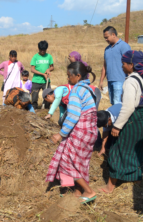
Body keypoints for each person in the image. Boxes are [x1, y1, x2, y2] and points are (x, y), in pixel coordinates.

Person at [99, 50, 143, 194]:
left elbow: (129, 106)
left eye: (123, 64)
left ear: (132, 65)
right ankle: (137, 181)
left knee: (118, 150)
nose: (122, 66)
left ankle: (110, 186)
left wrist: (117, 126)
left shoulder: (131, 80)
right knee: (139, 150)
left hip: (133, 120)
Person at [46, 62, 97, 204]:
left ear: (78, 76)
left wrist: (60, 134)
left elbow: (73, 115)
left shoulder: (76, 91)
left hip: (81, 131)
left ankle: (89, 191)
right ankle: (77, 191)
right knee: (80, 162)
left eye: (69, 76)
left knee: (67, 162)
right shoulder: (88, 89)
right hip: (91, 131)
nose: (68, 79)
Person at [99, 26, 131, 105]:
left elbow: (129, 63)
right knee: (113, 103)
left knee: (118, 103)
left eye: (107, 37)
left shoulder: (124, 46)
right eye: (105, 38)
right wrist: (101, 80)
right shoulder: (107, 49)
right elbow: (105, 66)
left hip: (120, 80)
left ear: (113, 34)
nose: (106, 40)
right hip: (110, 80)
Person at [30, 40, 54, 109]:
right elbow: (32, 69)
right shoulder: (35, 57)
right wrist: (43, 74)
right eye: (41, 50)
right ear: (38, 49)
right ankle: (34, 109)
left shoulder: (49, 56)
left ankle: (46, 110)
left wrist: (49, 69)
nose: (43, 51)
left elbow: (52, 67)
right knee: (34, 97)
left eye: (44, 50)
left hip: (46, 81)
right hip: (36, 81)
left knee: (48, 96)